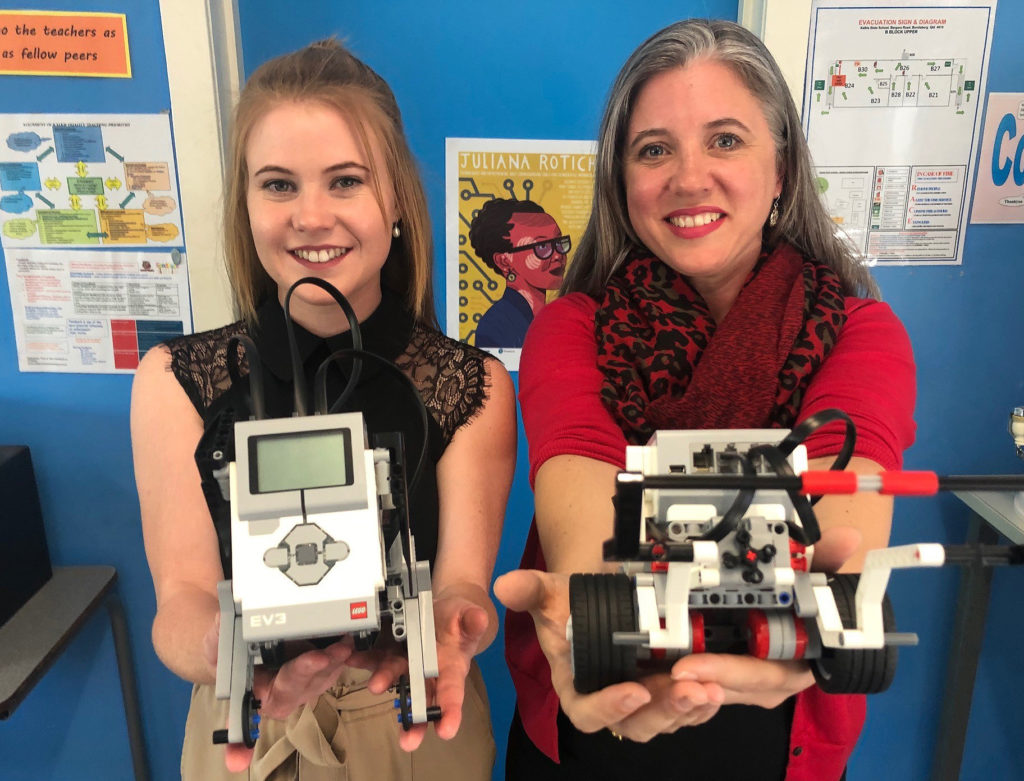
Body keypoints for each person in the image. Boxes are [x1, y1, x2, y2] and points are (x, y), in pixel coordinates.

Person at [494, 18, 915, 781]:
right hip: (595, 727)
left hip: (776, 735)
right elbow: (585, 531)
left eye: (725, 140)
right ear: (623, 181)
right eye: (654, 149)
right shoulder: (570, 328)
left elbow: (839, 546)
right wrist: (610, 643)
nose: (690, 178)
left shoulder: (863, 333)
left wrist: (820, 609)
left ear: (782, 167)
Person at [131, 40, 515, 781]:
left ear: (396, 198)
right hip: (245, 727)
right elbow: (178, 601)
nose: (311, 216)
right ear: (244, 205)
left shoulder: (473, 387)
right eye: (278, 185)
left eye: (345, 181)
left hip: (414, 726)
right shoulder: (175, 382)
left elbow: (463, 586)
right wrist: (223, 648)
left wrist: (456, 619)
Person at [468, 198, 568, 348]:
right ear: (504, 261)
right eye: (542, 247)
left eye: (559, 243)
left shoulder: (558, 319)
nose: (558, 255)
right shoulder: (496, 326)